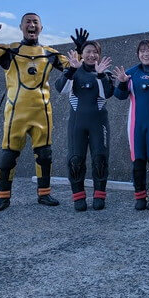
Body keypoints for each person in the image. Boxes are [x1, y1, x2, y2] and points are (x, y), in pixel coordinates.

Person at [0, 13, 86, 212]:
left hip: (42, 113)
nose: (32, 25)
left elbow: (74, 67)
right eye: (28, 22)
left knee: (45, 155)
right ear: (21, 27)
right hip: (15, 113)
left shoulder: (49, 53)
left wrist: (79, 50)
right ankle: (3, 197)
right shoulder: (10, 50)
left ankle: (44, 194)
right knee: (8, 156)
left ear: (41, 28)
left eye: (35, 22)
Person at [55, 41, 114, 211]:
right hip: (77, 124)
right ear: (82, 54)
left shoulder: (105, 72)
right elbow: (61, 88)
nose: (91, 55)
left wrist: (101, 75)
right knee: (75, 160)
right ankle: (78, 196)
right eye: (88, 51)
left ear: (99, 55)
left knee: (100, 159)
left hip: (99, 123)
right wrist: (71, 70)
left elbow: (107, 93)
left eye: (95, 52)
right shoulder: (73, 71)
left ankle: (99, 194)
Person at [114, 40, 149, 211]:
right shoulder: (131, 73)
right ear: (138, 55)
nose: (146, 54)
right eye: (142, 51)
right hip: (135, 125)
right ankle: (139, 197)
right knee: (137, 160)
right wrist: (122, 82)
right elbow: (119, 95)